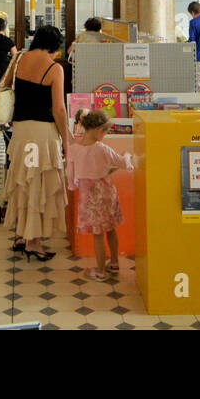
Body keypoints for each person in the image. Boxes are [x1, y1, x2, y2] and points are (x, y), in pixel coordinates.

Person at [0, 25, 69, 262]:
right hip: (43, 133)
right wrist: (66, 140)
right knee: (39, 183)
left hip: (20, 131)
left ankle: (21, 234)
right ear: (53, 45)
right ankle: (34, 242)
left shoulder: (19, 58)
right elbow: (59, 110)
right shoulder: (54, 69)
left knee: (22, 181)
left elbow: (5, 85)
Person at [67, 108, 130, 281]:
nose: (106, 134)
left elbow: (70, 174)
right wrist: (128, 155)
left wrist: (72, 186)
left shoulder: (74, 149)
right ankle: (115, 262)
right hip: (108, 193)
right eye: (106, 131)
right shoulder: (103, 149)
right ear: (97, 129)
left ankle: (101, 271)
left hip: (89, 197)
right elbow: (123, 163)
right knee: (110, 228)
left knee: (98, 234)